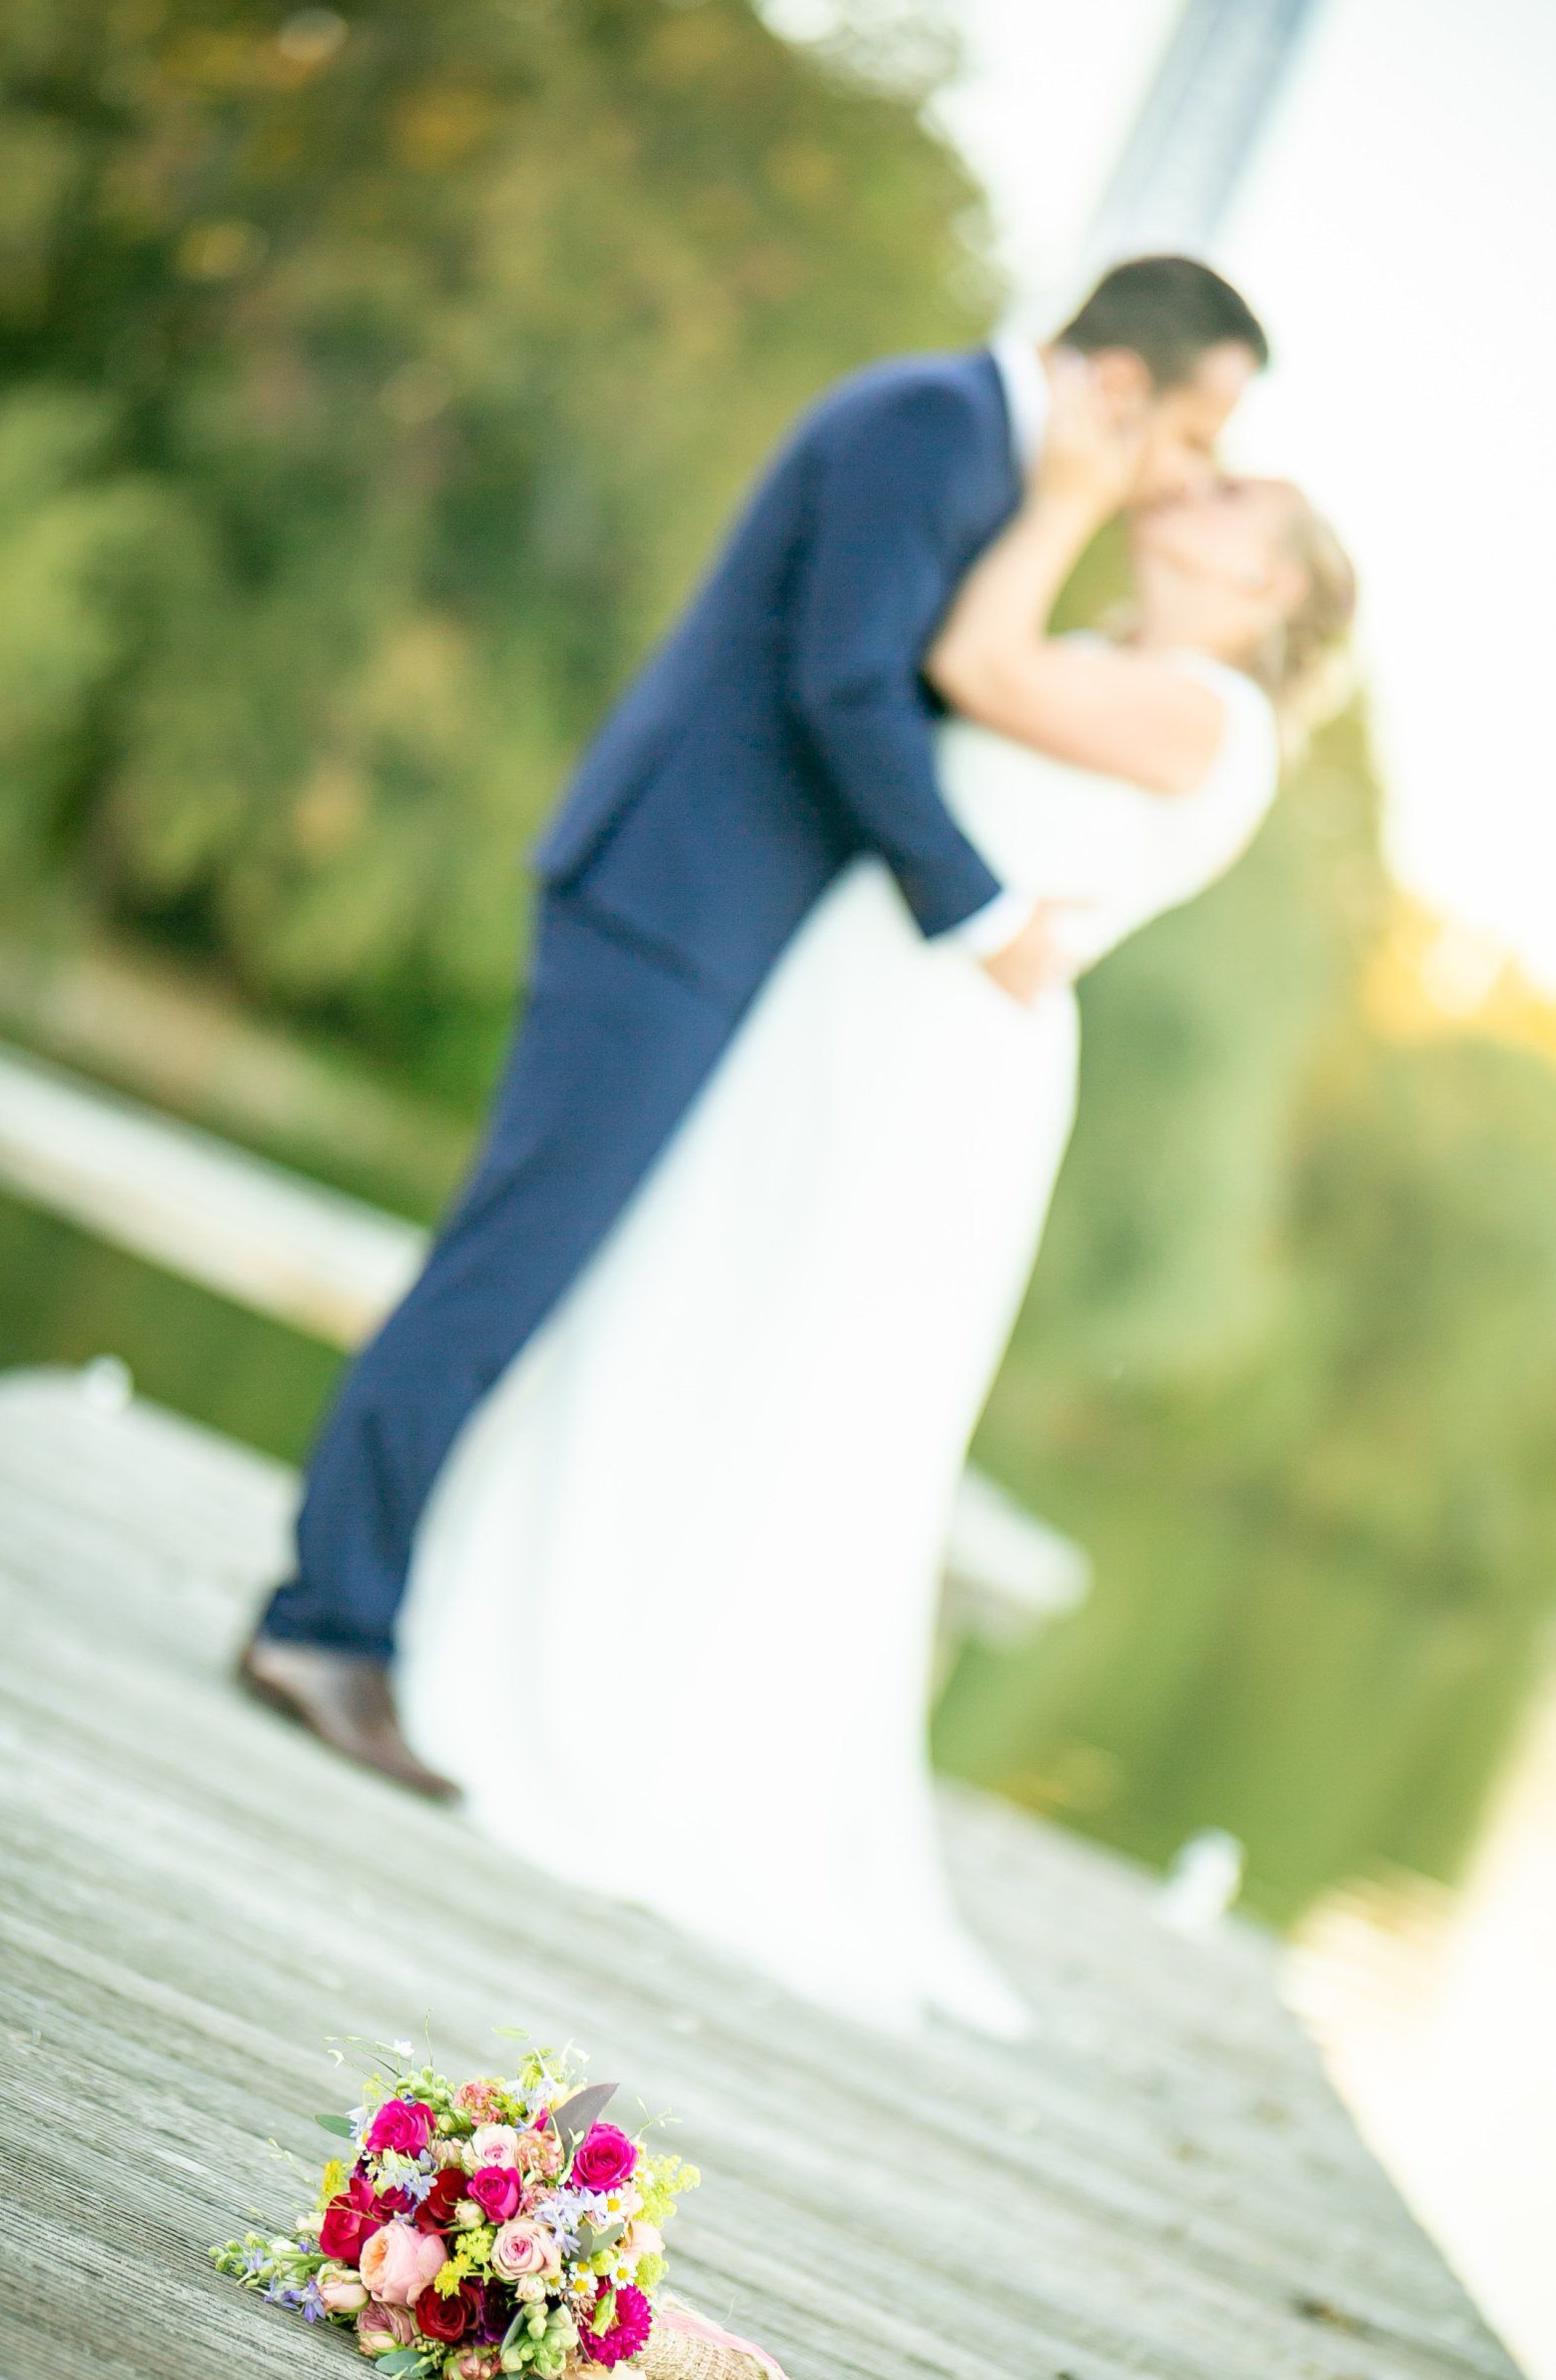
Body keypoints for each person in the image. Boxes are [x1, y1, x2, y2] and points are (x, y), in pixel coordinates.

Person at [388, 364, 1353, 2037]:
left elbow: (964, 667)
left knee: (791, 1382)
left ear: (1268, 587)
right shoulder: (1134, 660)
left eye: (1225, 500)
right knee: (681, 1313)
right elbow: (953, 679)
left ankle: (650, 1741)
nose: (1186, 493)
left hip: (935, 1051)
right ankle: (544, 1663)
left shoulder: (1211, 712)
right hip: (855, 999)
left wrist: (1061, 490)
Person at [242, 256, 1274, 1793]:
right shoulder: (929, 424)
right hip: (669, 908)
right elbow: (848, 691)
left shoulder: (987, 457)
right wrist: (985, 915)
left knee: (533, 1277)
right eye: (1195, 435)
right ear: (1120, 388)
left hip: (719, 931)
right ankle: (327, 1626)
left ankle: (379, 1618)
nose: (1188, 476)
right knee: (503, 1274)